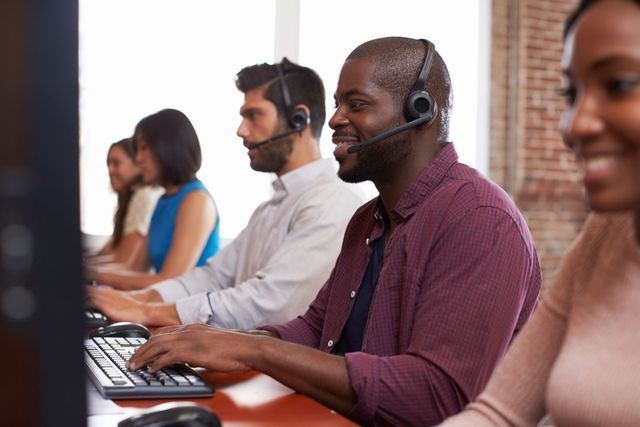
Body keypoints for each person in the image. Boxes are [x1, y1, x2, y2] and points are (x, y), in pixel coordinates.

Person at [126, 37, 542, 426]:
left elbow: (436, 397)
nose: (336, 120)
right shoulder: (368, 220)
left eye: (356, 104)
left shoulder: (478, 218)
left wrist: (255, 349)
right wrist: (225, 342)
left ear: (420, 112)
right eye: (338, 104)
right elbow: (315, 329)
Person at [438, 1, 640, 426]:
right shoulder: (608, 231)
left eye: (620, 84)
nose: (574, 124)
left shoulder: (482, 215)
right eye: (572, 94)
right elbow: (499, 413)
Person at [88, 59, 363, 329]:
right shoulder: (268, 210)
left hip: (277, 370)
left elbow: (268, 304)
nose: (241, 130)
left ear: (298, 119)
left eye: (253, 115)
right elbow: (211, 278)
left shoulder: (330, 204)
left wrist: (144, 310)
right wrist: (129, 300)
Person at [86, 109, 220, 290]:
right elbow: (135, 268)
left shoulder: (197, 201)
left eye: (143, 148)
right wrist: (87, 270)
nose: (139, 158)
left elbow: (171, 281)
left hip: (191, 311)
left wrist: (92, 273)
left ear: (168, 147)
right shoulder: (163, 200)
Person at [87, 138, 164, 269]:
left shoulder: (144, 195)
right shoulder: (128, 198)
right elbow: (109, 250)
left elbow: (122, 261)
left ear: (138, 165)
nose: (110, 170)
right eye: (108, 164)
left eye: (116, 163)